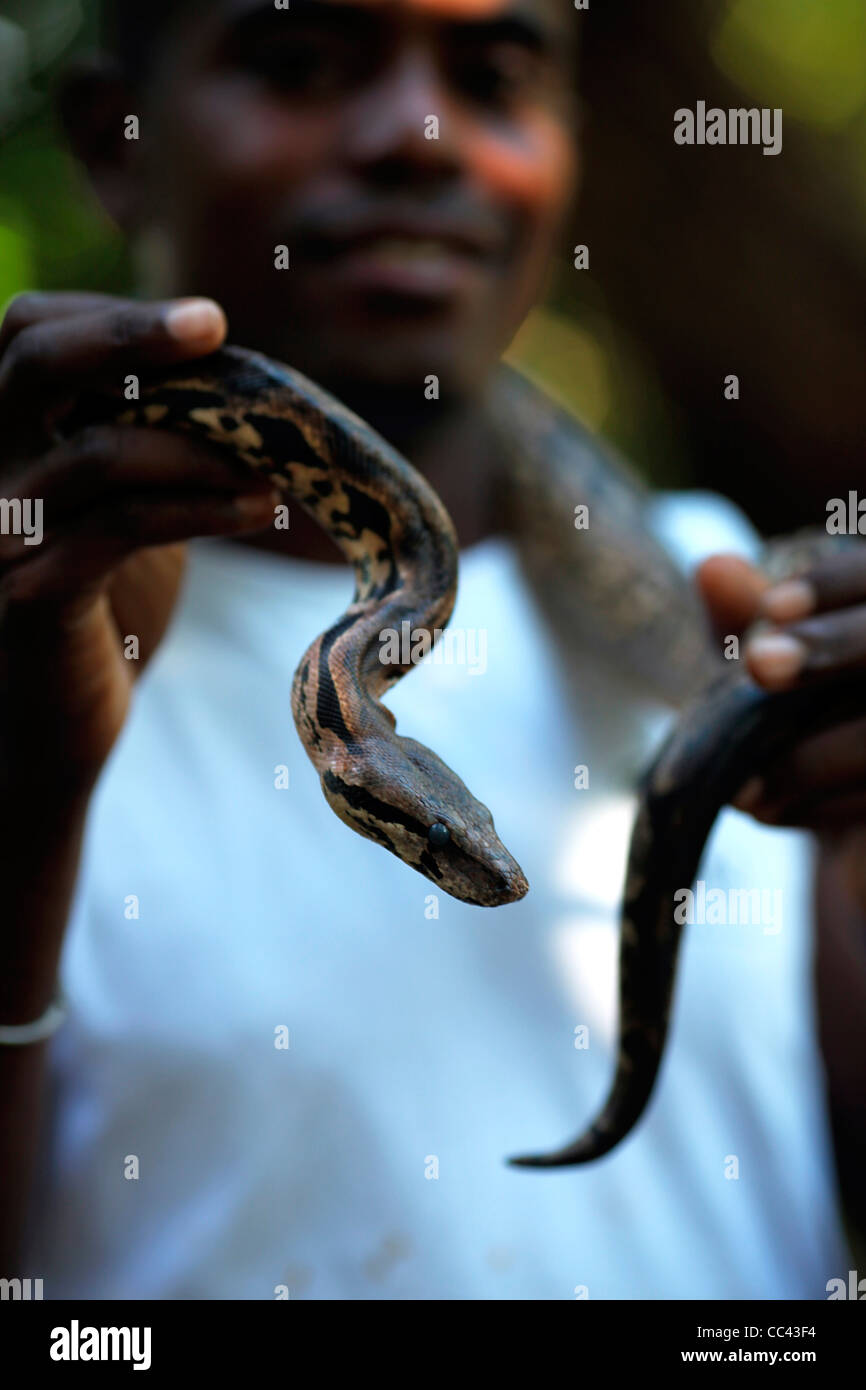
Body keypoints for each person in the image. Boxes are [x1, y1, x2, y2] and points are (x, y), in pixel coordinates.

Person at [1, 0, 864, 1299]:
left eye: (493, 73)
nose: (417, 136)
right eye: (298, 61)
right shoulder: (31, 643)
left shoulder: (722, 595)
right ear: (115, 142)